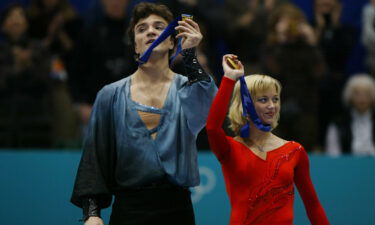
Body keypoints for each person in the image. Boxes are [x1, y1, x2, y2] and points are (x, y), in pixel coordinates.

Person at [70, 2, 217, 225]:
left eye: (159, 27)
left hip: (178, 212)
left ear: (171, 42)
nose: (150, 31)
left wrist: (189, 55)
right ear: (135, 46)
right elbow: (95, 158)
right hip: (129, 211)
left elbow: (209, 108)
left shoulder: (188, 89)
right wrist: (92, 213)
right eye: (141, 28)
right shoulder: (110, 95)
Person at [206, 54, 329, 225]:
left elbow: (313, 205)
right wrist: (229, 78)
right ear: (245, 105)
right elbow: (212, 127)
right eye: (263, 100)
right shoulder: (229, 148)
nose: (272, 106)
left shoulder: (294, 151)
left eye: (275, 99)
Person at [325, 74, 375, 156]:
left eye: (366, 94)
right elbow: (333, 155)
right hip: (347, 167)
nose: (362, 98)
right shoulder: (338, 123)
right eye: (357, 94)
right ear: (350, 96)